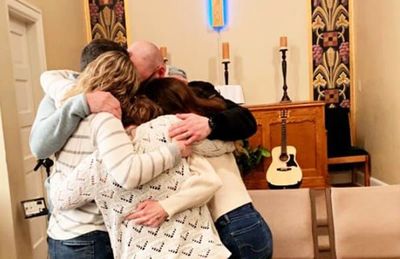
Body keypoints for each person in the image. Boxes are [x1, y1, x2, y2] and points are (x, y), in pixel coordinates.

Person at [47, 78, 236, 258]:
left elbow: (60, 199)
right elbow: (222, 149)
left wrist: (57, 168)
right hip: (202, 251)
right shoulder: (169, 130)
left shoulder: (97, 164)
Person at [45, 50, 189, 259]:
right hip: (88, 234)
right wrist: (175, 151)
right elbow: (128, 173)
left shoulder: (69, 106)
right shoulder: (105, 119)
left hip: (60, 230)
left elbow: (49, 76)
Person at [130, 79, 273, 259]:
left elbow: (207, 182)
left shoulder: (180, 134)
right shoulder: (209, 124)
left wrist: (164, 207)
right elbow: (228, 141)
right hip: (249, 219)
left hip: (229, 224)